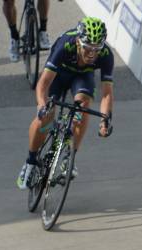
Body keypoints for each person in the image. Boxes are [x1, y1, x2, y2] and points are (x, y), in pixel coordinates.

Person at [16, 17, 114, 191]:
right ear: (78, 42)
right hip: (58, 75)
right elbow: (43, 83)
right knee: (46, 117)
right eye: (87, 48)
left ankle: (70, 157)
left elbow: (107, 93)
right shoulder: (65, 44)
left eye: (96, 49)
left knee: (82, 108)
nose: (92, 54)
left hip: (82, 77)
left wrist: (105, 120)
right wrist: (41, 105)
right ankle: (30, 162)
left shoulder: (106, 55)